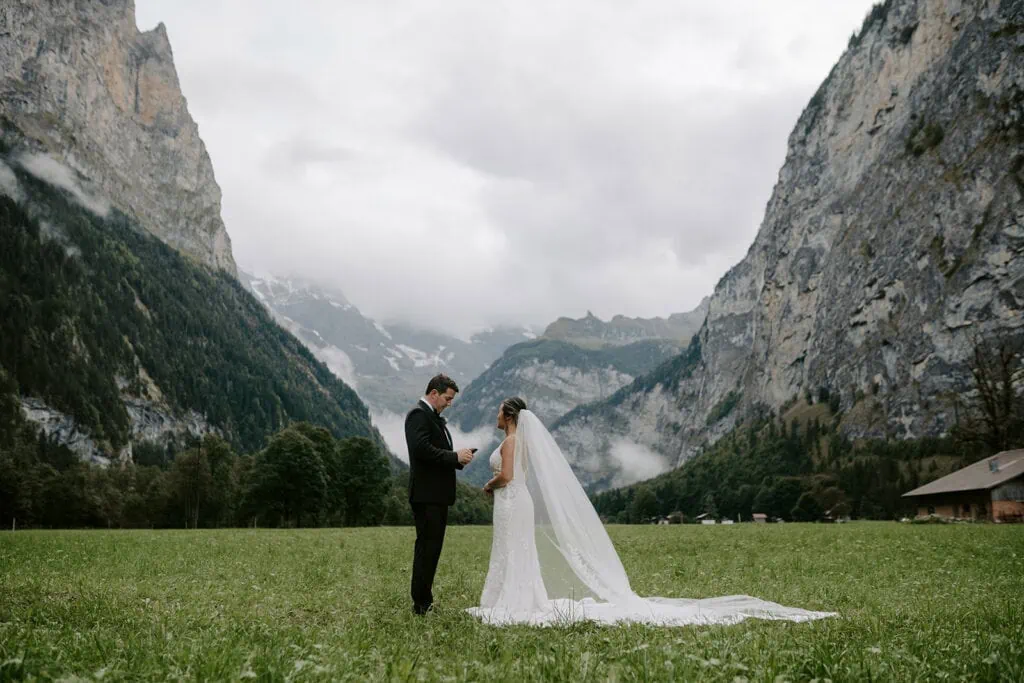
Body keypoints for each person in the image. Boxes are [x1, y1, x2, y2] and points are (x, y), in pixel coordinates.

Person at [467, 397, 837, 626]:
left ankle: (515, 601)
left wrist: (487, 485)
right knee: (515, 551)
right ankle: (515, 597)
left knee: (516, 550)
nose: (496, 414)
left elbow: (509, 475)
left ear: (510, 415)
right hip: (513, 504)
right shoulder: (515, 439)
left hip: (512, 502)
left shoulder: (513, 441)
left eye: (500, 410)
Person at [405, 374, 475, 615]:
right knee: (427, 548)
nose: (449, 403)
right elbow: (421, 449)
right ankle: (421, 605)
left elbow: (434, 451)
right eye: (447, 398)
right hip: (427, 496)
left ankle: (425, 601)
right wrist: (454, 457)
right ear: (433, 393)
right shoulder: (418, 415)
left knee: (432, 549)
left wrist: (457, 459)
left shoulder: (431, 417)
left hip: (436, 496)